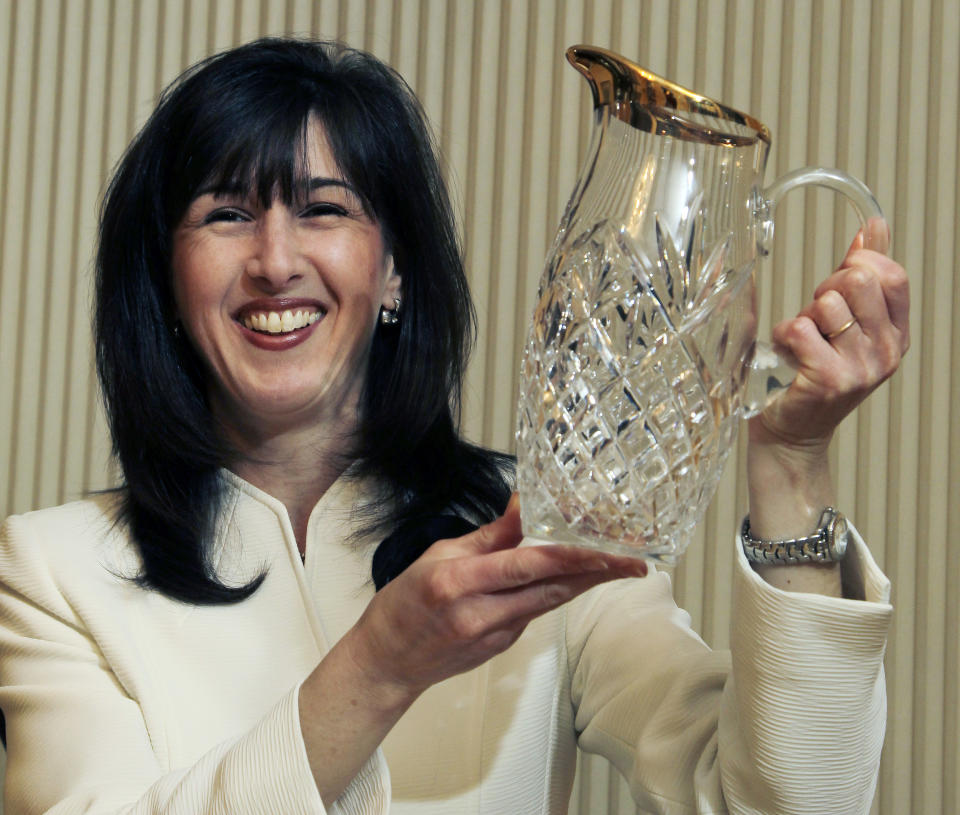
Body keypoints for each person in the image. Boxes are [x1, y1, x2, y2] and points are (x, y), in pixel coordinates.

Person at [0, 37, 908, 815]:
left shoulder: (534, 527)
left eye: (324, 208)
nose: (275, 262)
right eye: (227, 214)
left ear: (393, 271)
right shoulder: (49, 572)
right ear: (164, 276)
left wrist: (792, 462)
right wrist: (381, 665)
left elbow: (787, 802)